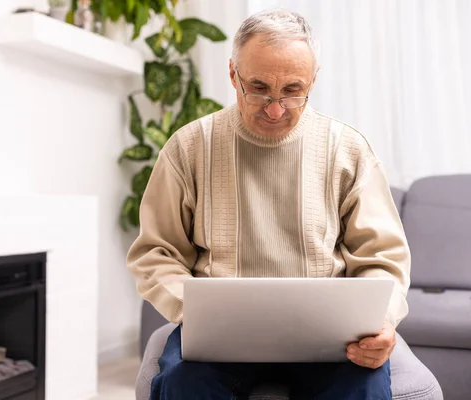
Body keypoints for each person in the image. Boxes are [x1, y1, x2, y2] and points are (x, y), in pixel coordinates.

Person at [127, 8, 410, 400]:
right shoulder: (189, 147)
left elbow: (382, 258)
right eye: (258, 88)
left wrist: (381, 320)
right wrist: (191, 310)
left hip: (330, 337)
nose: (275, 109)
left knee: (363, 388)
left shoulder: (348, 150)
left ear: (313, 80)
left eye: (292, 90)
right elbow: (155, 252)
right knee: (183, 385)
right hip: (218, 336)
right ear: (232, 75)